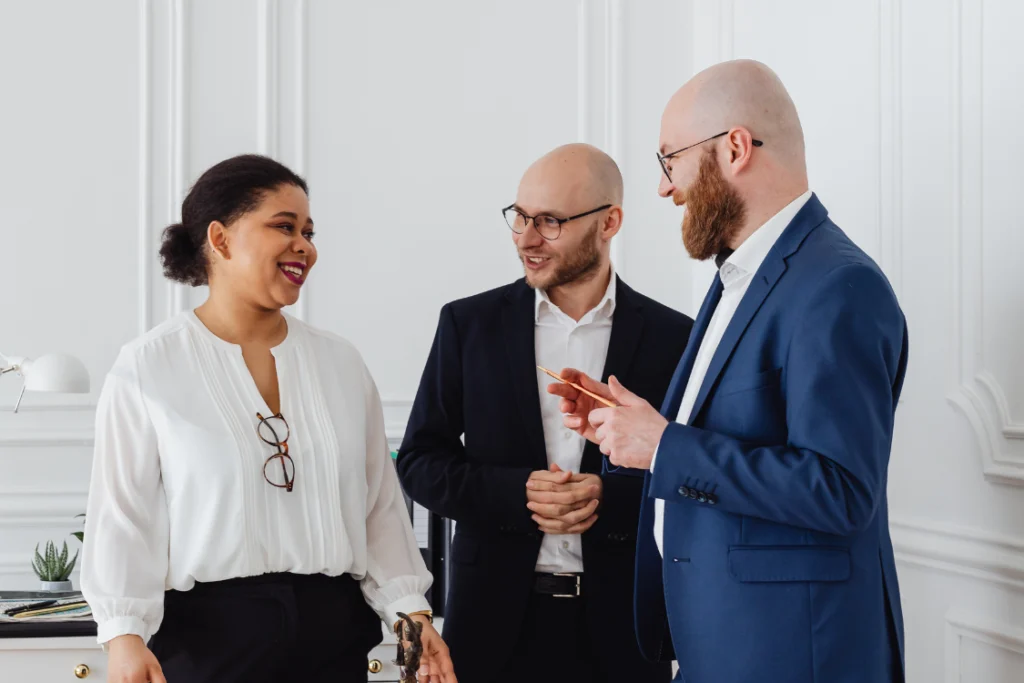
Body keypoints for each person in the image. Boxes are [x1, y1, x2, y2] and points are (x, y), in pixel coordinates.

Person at [550, 60, 908, 683]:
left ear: (735, 148)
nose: (664, 188)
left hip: (792, 659)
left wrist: (664, 446)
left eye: (670, 159)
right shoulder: (739, 277)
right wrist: (627, 430)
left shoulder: (839, 286)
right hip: (724, 646)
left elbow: (841, 490)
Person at [81, 154, 457, 683]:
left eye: (309, 232)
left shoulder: (341, 362)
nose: (305, 246)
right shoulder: (148, 365)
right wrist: (123, 634)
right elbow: (124, 517)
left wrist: (411, 613)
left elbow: (379, 509)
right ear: (221, 239)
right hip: (208, 643)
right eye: (284, 226)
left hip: (333, 636)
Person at [396, 143, 691, 683]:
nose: (526, 239)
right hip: (490, 629)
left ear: (609, 222)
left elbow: (690, 480)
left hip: (624, 633)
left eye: (550, 221)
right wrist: (518, 492)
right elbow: (418, 462)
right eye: (520, 217)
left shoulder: (675, 338)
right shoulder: (469, 324)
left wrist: (607, 498)